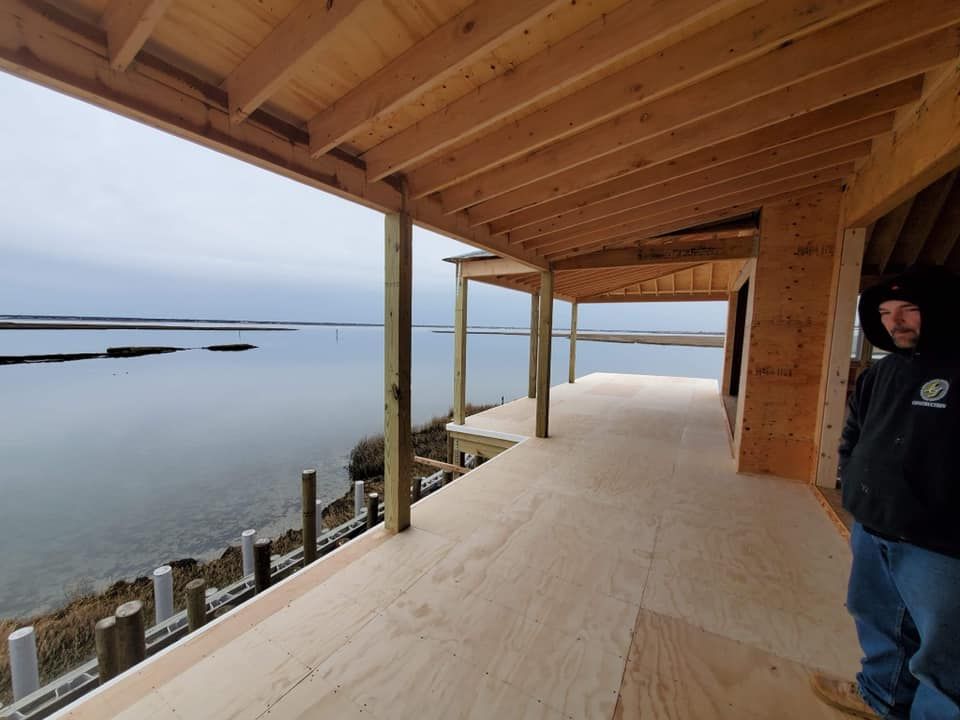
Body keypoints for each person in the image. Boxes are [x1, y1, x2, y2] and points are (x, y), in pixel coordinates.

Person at [811, 265, 960, 720]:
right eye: (886, 312)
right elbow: (853, 434)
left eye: (910, 310)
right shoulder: (881, 374)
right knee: (876, 619)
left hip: (941, 544)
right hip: (873, 525)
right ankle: (881, 698)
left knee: (945, 654)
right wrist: (853, 481)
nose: (896, 321)